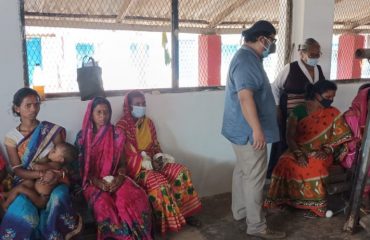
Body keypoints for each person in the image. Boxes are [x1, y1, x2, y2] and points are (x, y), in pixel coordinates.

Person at [221, 20, 285, 239]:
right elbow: (245, 97)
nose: (272, 45)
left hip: (239, 130)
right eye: (272, 40)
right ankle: (256, 226)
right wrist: (257, 130)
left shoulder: (248, 58)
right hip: (249, 133)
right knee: (254, 177)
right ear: (262, 39)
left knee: (243, 172)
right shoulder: (247, 61)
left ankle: (240, 212)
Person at [0, 87, 82, 239]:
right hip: (26, 180)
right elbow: (17, 169)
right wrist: (41, 173)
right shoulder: (11, 137)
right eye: (28, 105)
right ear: (17, 108)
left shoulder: (51, 131)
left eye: (36, 104)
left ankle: (55, 235)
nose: (33, 109)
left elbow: (63, 160)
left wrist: (54, 174)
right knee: (23, 212)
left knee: (60, 196)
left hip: (54, 180)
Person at [116, 90, 202, 234]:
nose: (142, 107)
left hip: (153, 162)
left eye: (144, 103)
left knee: (181, 172)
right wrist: (148, 164)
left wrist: (159, 159)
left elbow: (155, 146)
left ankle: (187, 214)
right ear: (129, 106)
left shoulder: (149, 123)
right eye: (137, 104)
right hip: (137, 169)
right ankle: (164, 223)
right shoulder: (122, 127)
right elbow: (126, 155)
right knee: (159, 183)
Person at [264, 80, 352, 218]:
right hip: (298, 148)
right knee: (283, 163)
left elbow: (341, 137)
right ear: (316, 94)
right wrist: (298, 154)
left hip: (322, 150)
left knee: (316, 166)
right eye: (327, 97)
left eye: (333, 97)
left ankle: (315, 206)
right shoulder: (299, 110)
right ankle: (285, 201)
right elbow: (289, 136)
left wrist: (327, 150)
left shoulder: (333, 112)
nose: (331, 100)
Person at [75, 96, 152, 240]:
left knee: (132, 196)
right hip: (92, 182)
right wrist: (97, 182)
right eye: (98, 112)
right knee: (103, 204)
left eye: (106, 112)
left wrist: (120, 178)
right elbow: (81, 170)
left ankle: (139, 236)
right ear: (91, 114)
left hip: (115, 177)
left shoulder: (117, 134)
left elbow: (122, 164)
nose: (103, 116)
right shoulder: (82, 138)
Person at [268, 38, 326, 178]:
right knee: (287, 142)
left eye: (318, 55)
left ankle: (304, 174)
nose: (315, 58)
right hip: (289, 113)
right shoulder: (290, 68)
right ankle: (282, 176)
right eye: (312, 55)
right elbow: (275, 87)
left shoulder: (318, 69)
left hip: (310, 114)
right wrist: (276, 107)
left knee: (306, 141)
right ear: (302, 54)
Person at [2, 142, 78, 209]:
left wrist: (37, 163)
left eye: (54, 151)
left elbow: (37, 167)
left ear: (61, 159)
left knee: (21, 188)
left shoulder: (55, 165)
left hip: (41, 199)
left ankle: (6, 204)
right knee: (28, 182)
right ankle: (8, 194)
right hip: (37, 192)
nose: (51, 150)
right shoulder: (57, 167)